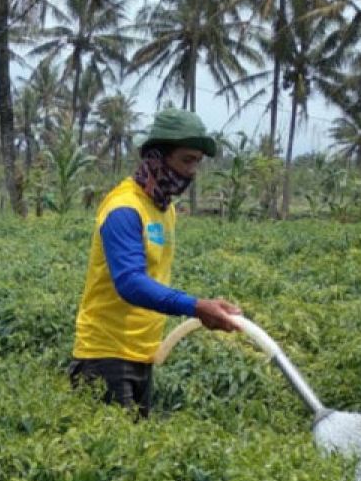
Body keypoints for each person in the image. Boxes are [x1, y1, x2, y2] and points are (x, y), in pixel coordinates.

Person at [69, 108, 242, 416]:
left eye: (197, 163)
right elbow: (130, 283)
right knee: (111, 458)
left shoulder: (163, 209)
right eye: (186, 160)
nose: (192, 172)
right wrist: (196, 306)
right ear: (156, 157)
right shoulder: (125, 208)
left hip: (143, 354)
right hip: (106, 356)